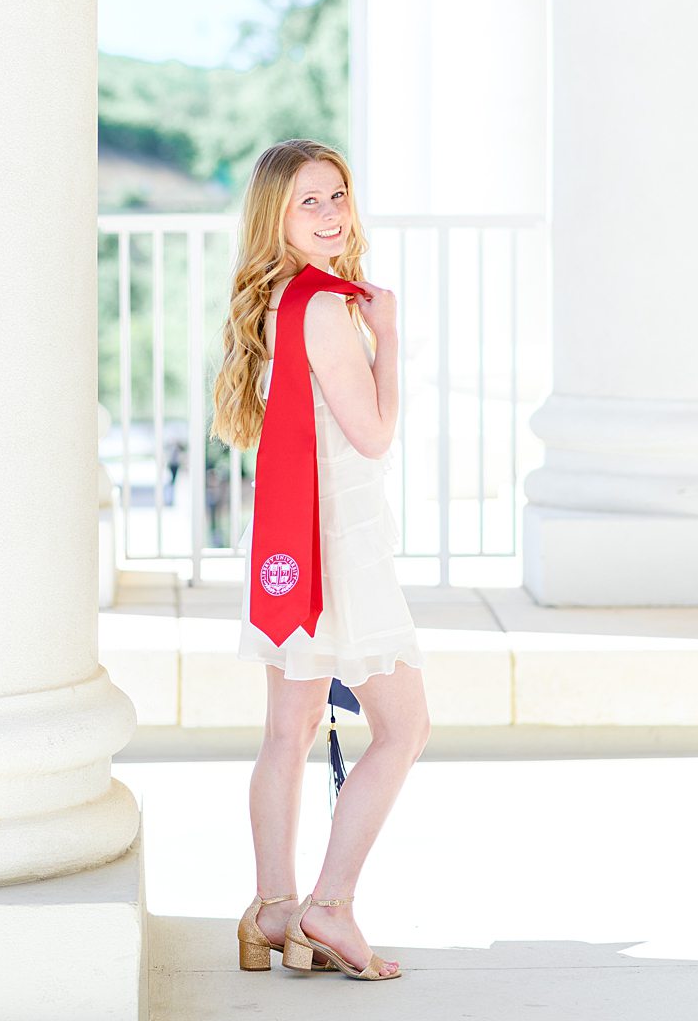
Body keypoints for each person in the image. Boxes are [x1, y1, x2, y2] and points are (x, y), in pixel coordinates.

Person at [211, 138, 430, 983]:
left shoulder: (274, 300)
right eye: (310, 201)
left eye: (338, 195)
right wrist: (392, 338)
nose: (333, 213)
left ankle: (273, 909)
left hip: (290, 545)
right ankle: (329, 907)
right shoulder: (328, 309)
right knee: (405, 728)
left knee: (287, 730)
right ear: (276, 215)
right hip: (339, 543)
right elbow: (371, 436)